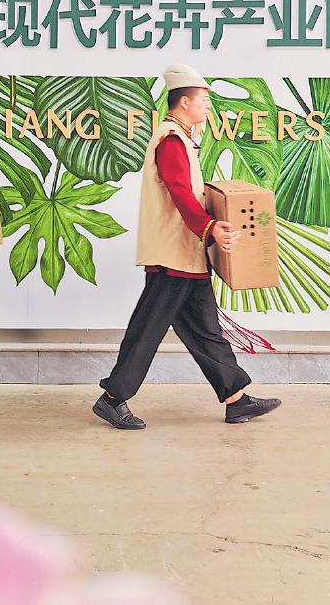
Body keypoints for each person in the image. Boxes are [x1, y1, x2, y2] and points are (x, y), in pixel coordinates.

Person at [94, 64, 282, 430]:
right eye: (203, 101)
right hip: (173, 256)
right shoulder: (171, 141)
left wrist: (208, 226)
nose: (207, 107)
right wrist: (210, 228)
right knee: (148, 329)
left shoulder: (181, 138)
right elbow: (180, 193)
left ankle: (235, 399)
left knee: (205, 329)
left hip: (186, 254)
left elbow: (188, 193)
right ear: (184, 102)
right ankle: (113, 398)